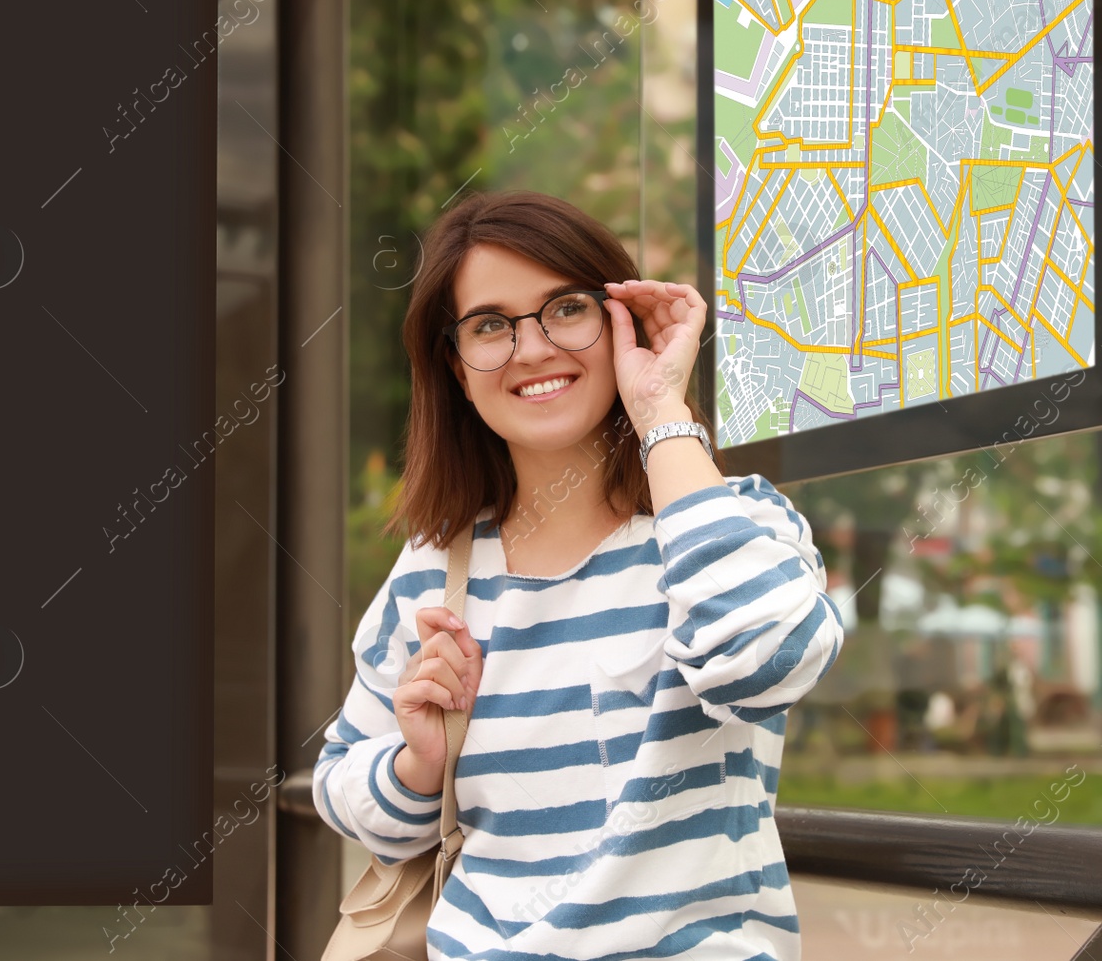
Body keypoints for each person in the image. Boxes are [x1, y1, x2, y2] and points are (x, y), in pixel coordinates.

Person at [312, 189, 847, 960]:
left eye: (565, 308)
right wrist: (418, 764)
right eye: (489, 325)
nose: (531, 350)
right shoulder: (433, 568)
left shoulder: (726, 524)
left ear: (619, 320)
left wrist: (660, 407)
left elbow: (765, 666)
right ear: (458, 369)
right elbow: (341, 787)